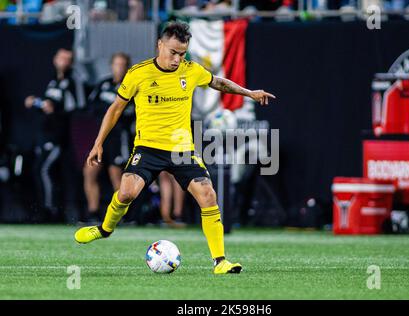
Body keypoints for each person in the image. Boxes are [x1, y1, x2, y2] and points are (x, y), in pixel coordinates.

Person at [74, 21, 275, 274]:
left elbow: (219, 82)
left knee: (208, 195)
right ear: (160, 45)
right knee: (126, 193)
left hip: (182, 150)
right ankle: (104, 229)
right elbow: (115, 109)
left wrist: (250, 93)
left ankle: (220, 261)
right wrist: (98, 142)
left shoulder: (191, 71)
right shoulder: (139, 73)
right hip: (147, 148)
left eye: (182, 53)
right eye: (173, 52)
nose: (177, 59)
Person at [25, 48, 79, 222]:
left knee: (43, 169)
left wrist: (55, 109)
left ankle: (49, 210)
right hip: (44, 133)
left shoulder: (73, 80)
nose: (64, 61)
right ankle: (44, 209)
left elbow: (77, 106)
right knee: (43, 170)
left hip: (58, 136)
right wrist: (36, 102)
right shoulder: (51, 79)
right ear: (55, 59)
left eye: (67, 59)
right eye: (61, 58)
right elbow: (45, 102)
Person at [81, 52, 133, 223]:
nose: (119, 68)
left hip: (119, 137)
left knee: (116, 176)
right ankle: (93, 212)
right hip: (101, 137)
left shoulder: (131, 86)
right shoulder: (103, 84)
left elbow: (130, 113)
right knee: (89, 172)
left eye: (122, 65)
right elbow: (91, 106)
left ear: (127, 68)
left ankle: (121, 216)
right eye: (116, 64)